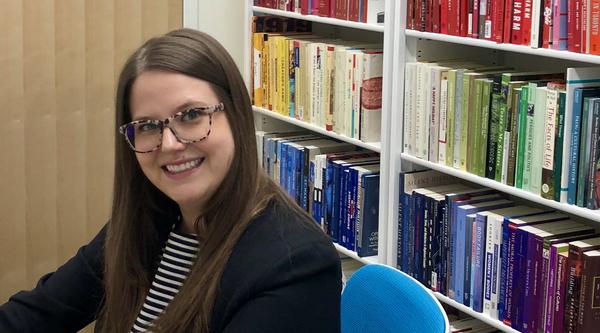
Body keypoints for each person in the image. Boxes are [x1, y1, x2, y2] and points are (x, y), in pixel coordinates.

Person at [0, 29, 342, 332]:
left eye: (191, 115)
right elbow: (38, 313)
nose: (169, 144)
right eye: (148, 126)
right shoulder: (150, 219)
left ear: (237, 115)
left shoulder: (295, 265)